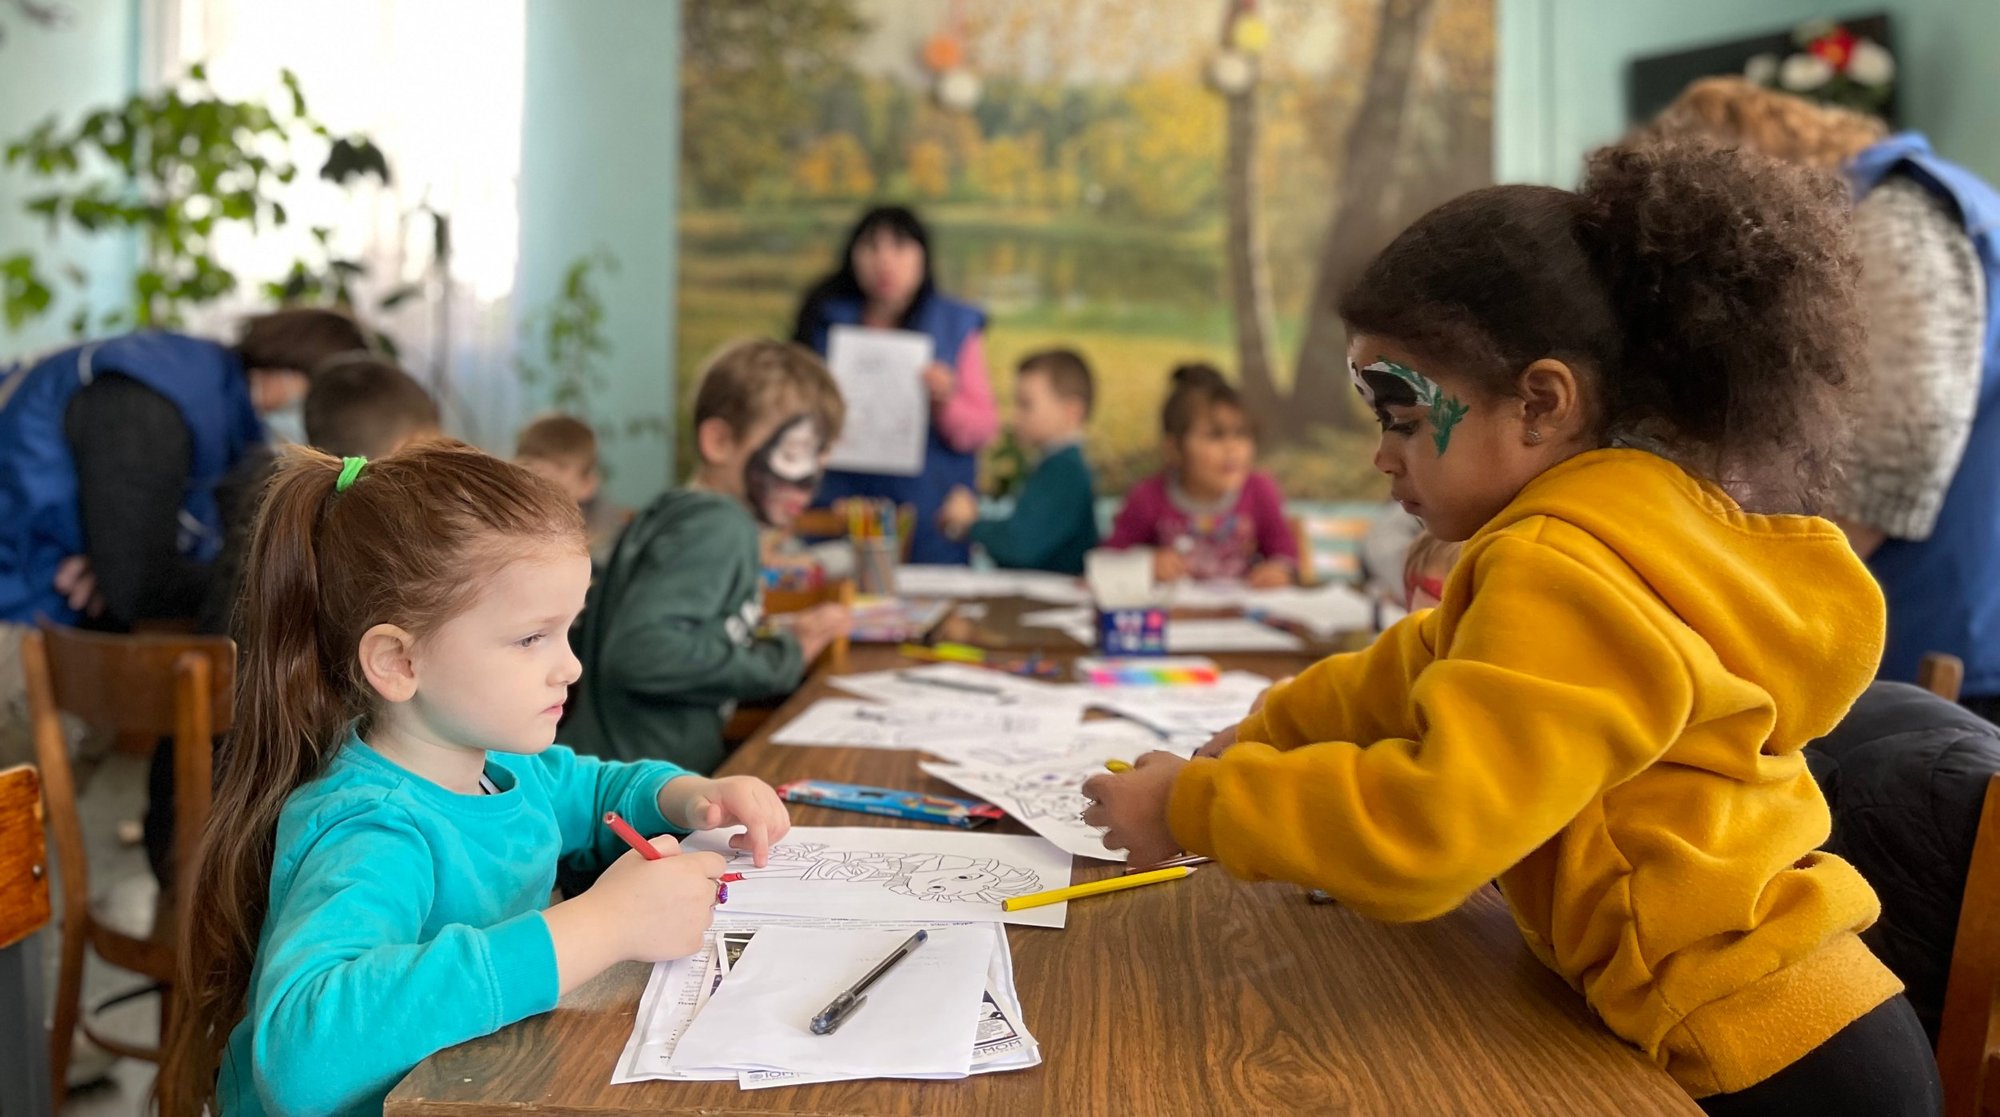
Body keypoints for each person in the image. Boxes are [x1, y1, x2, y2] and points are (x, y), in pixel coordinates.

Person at [1082, 140, 1942, 1114]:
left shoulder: (1560, 563)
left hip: (1767, 1061)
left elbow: (1429, 829)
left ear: (1537, 401)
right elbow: (1412, 662)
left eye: (1400, 416)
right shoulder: (1613, 527)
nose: (1379, 454)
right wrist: (1268, 733)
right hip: (1799, 1021)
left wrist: (1188, 807)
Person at [156, 440, 790, 1116]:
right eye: (531, 638)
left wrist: (690, 796)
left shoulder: (499, 766)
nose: (570, 666)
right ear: (398, 661)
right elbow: (301, 1056)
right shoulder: (372, 825)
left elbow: (594, 790)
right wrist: (602, 925)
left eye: (568, 630)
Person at [1649, 77, 2000, 722]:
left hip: (1949, 646)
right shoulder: (1915, 207)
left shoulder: (1901, 217)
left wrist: (1739, 611)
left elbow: (1893, 455)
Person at [564, 340, 852, 774]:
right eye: (794, 453)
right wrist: (784, 657)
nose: (810, 479)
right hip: (645, 792)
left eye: (820, 458)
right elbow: (642, 652)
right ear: (719, 441)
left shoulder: (677, 513)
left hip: (614, 773)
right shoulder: (719, 525)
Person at [793, 206, 997, 564]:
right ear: (853, 255)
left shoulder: (954, 324)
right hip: (838, 512)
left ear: (923, 256)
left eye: (900, 246)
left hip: (928, 519)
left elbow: (981, 429)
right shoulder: (824, 319)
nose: (884, 260)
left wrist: (945, 401)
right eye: (871, 247)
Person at [1104, 363, 1298, 586]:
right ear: (1174, 448)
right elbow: (1108, 560)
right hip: (1172, 617)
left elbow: (1285, 553)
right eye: (1215, 436)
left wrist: (1279, 571)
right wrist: (1146, 564)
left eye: (1242, 434)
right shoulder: (1147, 497)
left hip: (1239, 616)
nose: (1232, 448)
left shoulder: (1260, 490)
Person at [937, 348, 1099, 575]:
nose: (1015, 415)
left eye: (1026, 404)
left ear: (1071, 411)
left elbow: (1020, 546)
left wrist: (971, 523)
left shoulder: (1064, 471)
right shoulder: (1055, 465)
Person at [514, 412, 626, 563]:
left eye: (556, 493)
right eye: (527, 483)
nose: (538, 500)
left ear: (587, 486)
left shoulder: (603, 531)